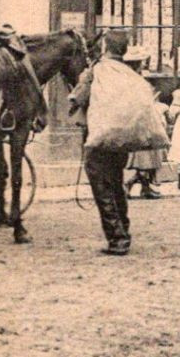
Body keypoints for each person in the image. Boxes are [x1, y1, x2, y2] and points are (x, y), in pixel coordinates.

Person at [67, 29, 146, 256]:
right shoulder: (129, 72)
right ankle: (125, 231)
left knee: (101, 187)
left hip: (99, 137)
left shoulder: (96, 71)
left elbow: (76, 98)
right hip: (121, 139)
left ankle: (117, 238)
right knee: (116, 182)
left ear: (104, 48)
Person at [123, 45, 164, 199]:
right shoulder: (130, 80)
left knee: (149, 155)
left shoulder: (137, 78)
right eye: (139, 62)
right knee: (144, 155)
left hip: (144, 119)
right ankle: (130, 183)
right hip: (137, 121)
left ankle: (145, 187)